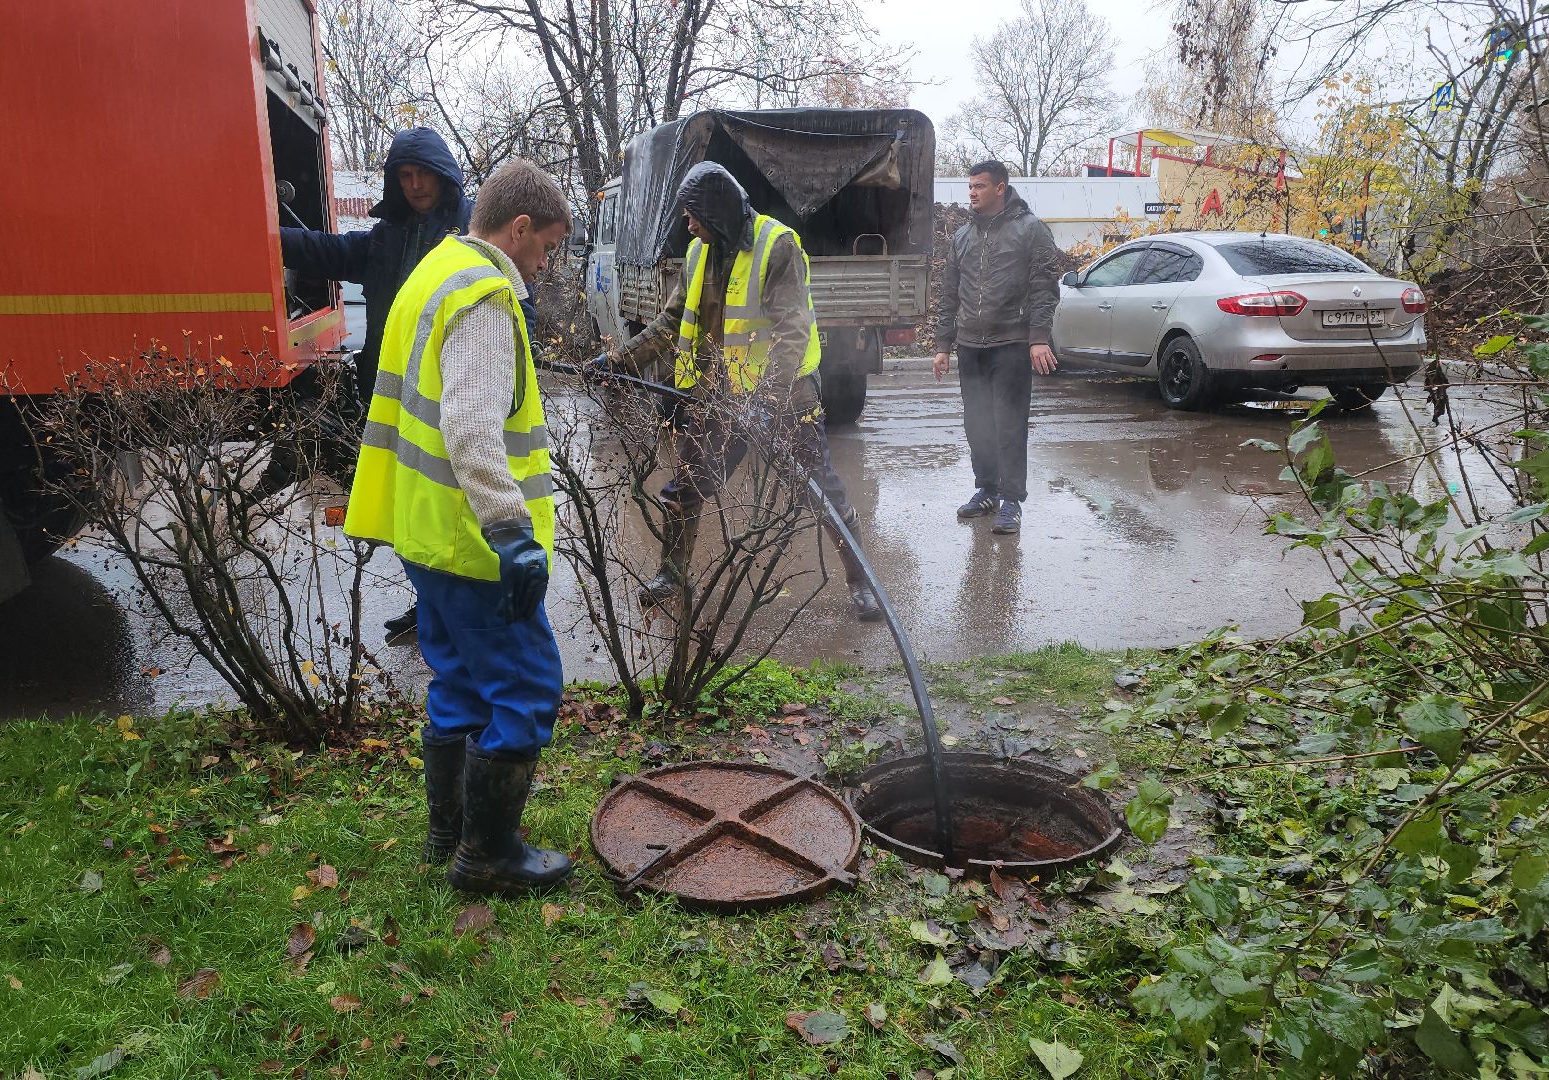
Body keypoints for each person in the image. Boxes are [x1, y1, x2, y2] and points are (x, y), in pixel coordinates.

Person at [341, 159, 574, 896]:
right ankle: (488, 856)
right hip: (475, 546)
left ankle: (448, 834)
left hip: (426, 535)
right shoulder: (483, 294)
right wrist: (511, 531)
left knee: (461, 686)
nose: (542, 267)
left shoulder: (434, 270)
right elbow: (472, 426)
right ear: (521, 228)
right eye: (545, 249)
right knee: (527, 688)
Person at [605, 163, 884, 623]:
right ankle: (671, 575)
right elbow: (672, 320)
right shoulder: (698, 253)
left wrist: (764, 402)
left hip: (785, 396)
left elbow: (792, 333)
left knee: (820, 492)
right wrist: (619, 362)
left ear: (718, 210)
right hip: (718, 397)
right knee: (686, 488)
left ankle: (861, 582)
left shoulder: (778, 246)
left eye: (694, 213)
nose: (688, 224)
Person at [275, 128, 472, 645]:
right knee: (408, 509)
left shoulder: (470, 235)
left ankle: (452, 610)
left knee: (447, 509)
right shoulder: (389, 238)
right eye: (404, 176)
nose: (414, 185)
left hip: (447, 397)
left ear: (441, 173)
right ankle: (430, 605)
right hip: (390, 397)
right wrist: (269, 239)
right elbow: (331, 251)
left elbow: (514, 298)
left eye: (422, 173)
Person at [932, 160, 1064, 536]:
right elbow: (949, 294)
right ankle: (986, 490)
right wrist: (944, 344)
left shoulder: (1030, 230)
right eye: (970, 186)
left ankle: (1011, 501)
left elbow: (1044, 286)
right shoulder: (962, 237)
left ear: (1001, 187)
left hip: (1011, 342)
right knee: (977, 426)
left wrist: (1038, 338)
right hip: (971, 345)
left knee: (1009, 424)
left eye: (980, 186)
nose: (972, 192)